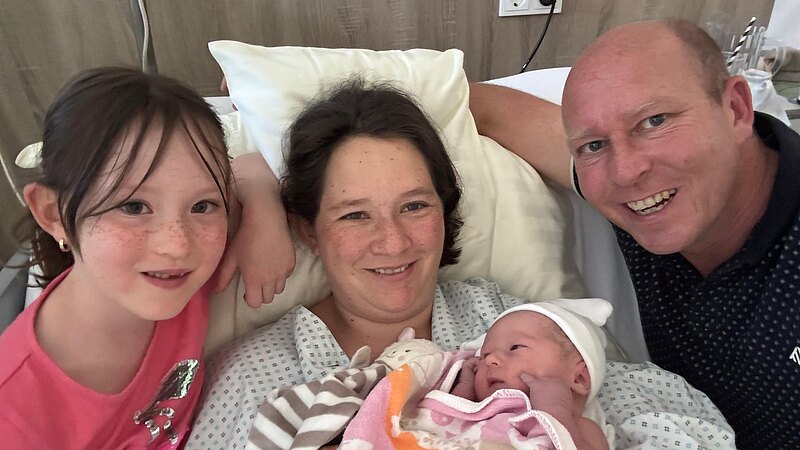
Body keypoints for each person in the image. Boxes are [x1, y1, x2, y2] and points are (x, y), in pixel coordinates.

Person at [469, 18, 800, 448]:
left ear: (736, 109)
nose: (626, 172)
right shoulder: (637, 201)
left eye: (654, 121)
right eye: (594, 145)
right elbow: (486, 107)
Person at [185, 77, 530, 449]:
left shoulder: (516, 326)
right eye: (355, 215)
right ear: (308, 229)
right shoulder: (249, 380)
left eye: (414, 206)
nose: (393, 242)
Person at [0, 67, 293, 449]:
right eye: (134, 207)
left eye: (202, 205)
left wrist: (264, 218)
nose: (177, 245)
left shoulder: (186, 266)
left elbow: (251, 166)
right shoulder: (15, 411)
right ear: (53, 213)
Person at [450, 302, 610, 450]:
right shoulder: (482, 411)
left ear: (579, 378)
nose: (491, 359)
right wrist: (463, 393)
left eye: (516, 347)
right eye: (484, 355)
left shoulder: (582, 429)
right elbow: (446, 425)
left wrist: (556, 414)